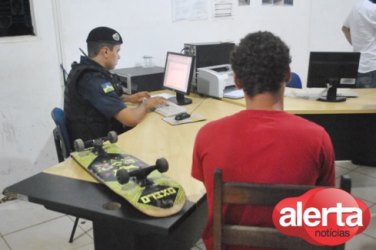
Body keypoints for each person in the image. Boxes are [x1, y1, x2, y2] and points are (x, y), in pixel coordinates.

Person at [191, 31, 336, 250]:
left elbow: (210, 191)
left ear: (237, 81)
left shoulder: (207, 135)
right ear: (287, 75)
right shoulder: (318, 138)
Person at [64, 26, 165, 143]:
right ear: (106, 51)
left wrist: (129, 98)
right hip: (95, 148)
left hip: (90, 137)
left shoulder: (82, 70)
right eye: (117, 51)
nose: (119, 56)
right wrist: (146, 105)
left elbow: (99, 100)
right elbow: (131, 119)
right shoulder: (92, 79)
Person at [342, 0, 376, 88]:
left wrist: (357, 44)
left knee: (361, 101)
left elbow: (345, 29)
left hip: (358, 66)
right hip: (373, 66)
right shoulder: (374, 9)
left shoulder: (356, 7)